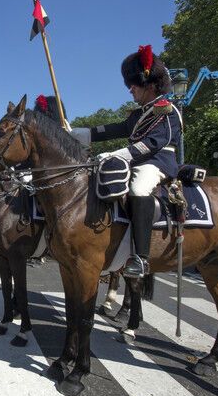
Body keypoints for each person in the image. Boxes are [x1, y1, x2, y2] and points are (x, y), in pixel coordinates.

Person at [72, 45, 181, 278]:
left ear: (149, 84)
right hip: (137, 161)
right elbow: (113, 129)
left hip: (158, 162)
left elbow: (154, 143)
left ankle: (140, 258)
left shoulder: (167, 110)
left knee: (138, 187)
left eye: (133, 85)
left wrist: (118, 155)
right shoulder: (139, 113)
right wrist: (78, 132)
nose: (130, 90)